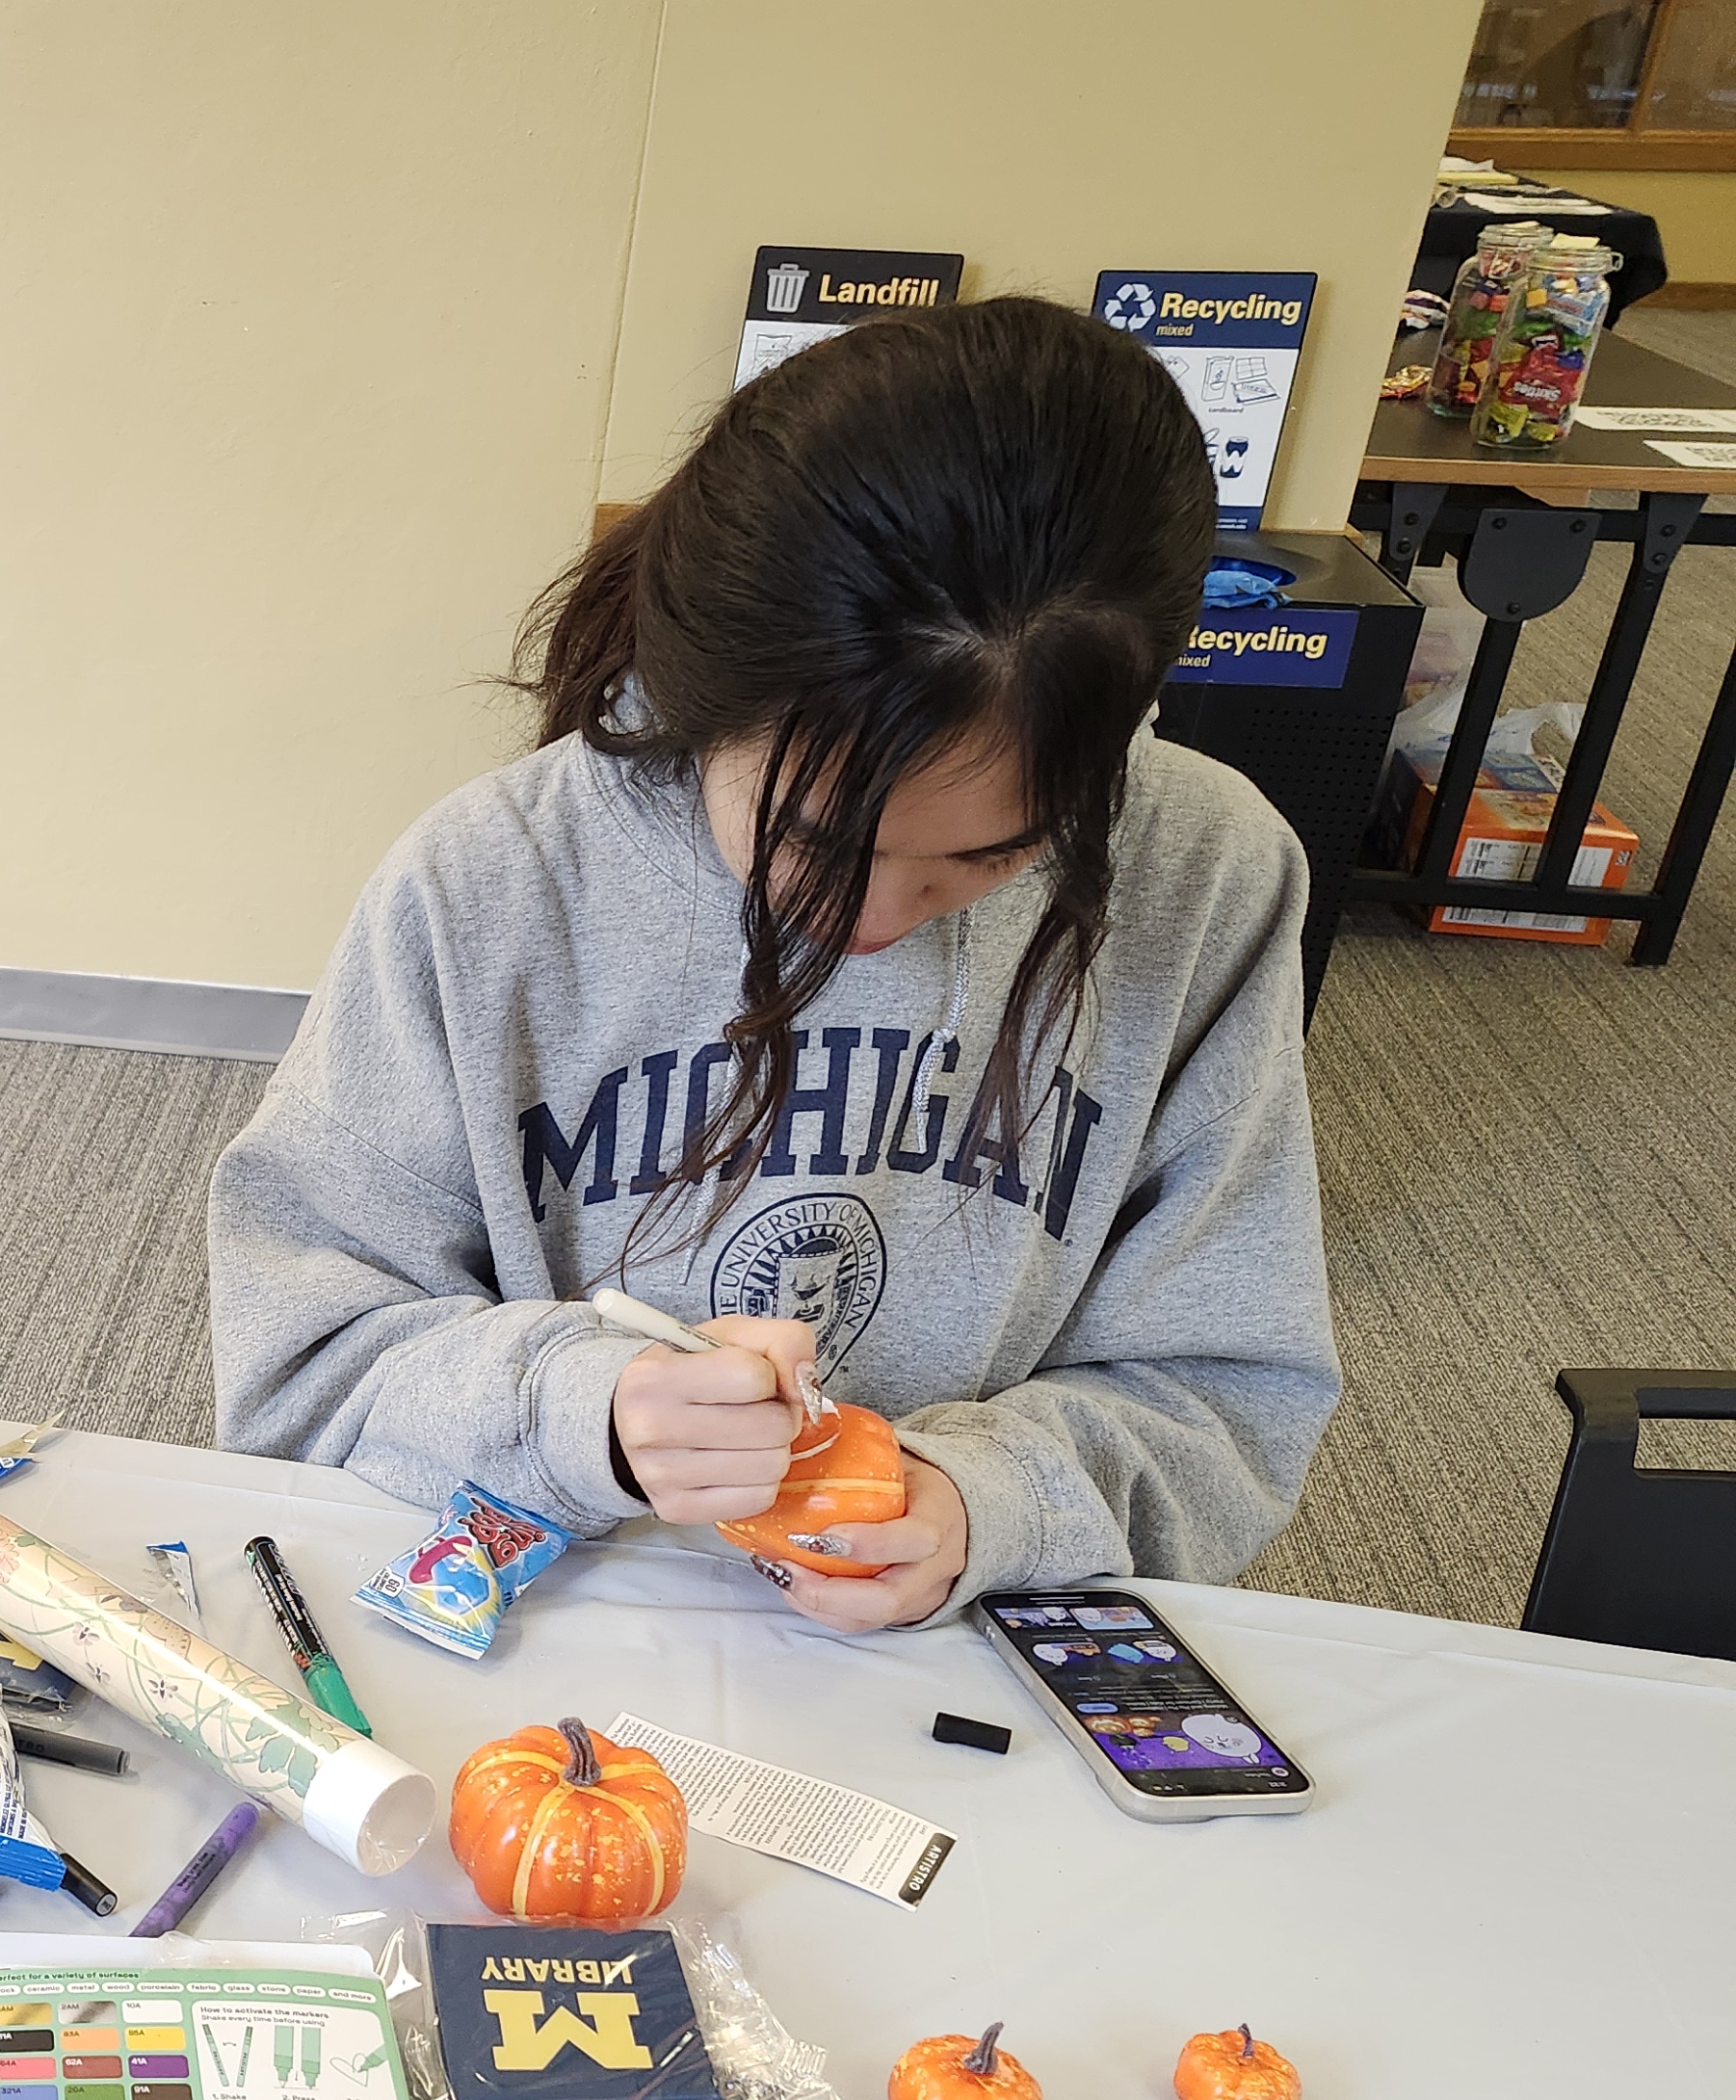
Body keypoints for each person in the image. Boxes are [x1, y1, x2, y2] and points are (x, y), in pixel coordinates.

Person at [208, 297, 1339, 1629]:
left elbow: (1229, 1394)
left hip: (970, 1626)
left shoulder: (1206, 875)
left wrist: (987, 1498)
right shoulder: (487, 886)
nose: (863, 927)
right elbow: (299, 1368)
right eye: (807, 838)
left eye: (984, 860)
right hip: (538, 1612)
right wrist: (588, 1410)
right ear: (699, 698)